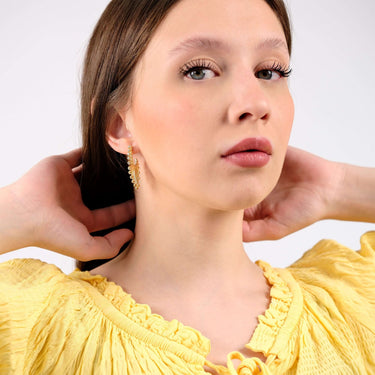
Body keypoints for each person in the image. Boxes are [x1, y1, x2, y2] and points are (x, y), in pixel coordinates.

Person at [0, 0, 374, 374]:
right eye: (199, 71)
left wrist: (336, 187)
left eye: (270, 71)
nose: (255, 103)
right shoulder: (33, 327)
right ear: (118, 124)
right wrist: (17, 210)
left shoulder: (353, 309)